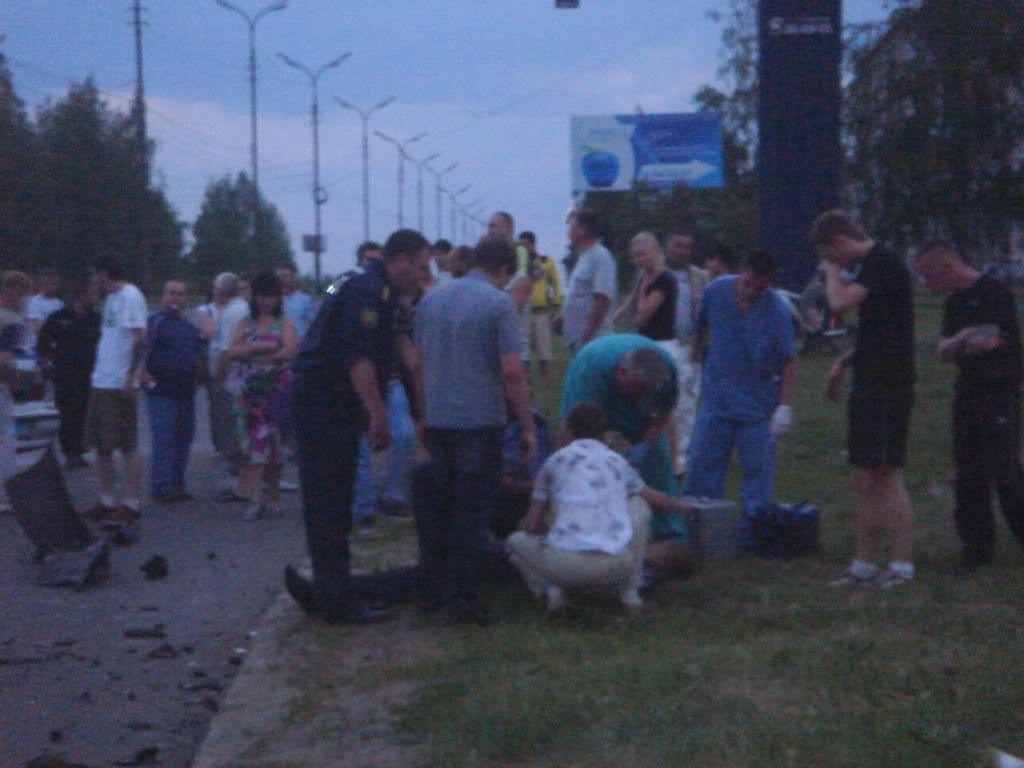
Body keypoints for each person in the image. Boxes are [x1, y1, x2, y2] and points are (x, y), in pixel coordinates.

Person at [284, 229, 430, 625]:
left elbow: (401, 351)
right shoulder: (368, 292)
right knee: (329, 501)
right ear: (399, 259)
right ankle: (335, 601)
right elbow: (358, 359)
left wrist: (420, 413)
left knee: (335, 497)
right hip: (324, 402)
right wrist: (378, 416)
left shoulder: (348, 281)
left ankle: (333, 587)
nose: (422, 276)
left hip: (328, 401)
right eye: (419, 267)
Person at [414, 235, 535, 626]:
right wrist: (528, 425)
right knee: (471, 513)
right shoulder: (498, 303)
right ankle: (463, 600)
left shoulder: (431, 299)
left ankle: (433, 588)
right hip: (478, 423)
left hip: (438, 419)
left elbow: (417, 364)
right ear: (503, 269)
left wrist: (422, 414)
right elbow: (513, 371)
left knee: (441, 508)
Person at [811, 209, 916, 589]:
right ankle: (864, 564)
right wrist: (843, 363)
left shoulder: (882, 263)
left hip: (889, 385)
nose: (837, 264)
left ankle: (902, 566)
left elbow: (838, 305)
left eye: (832, 255)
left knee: (887, 474)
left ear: (839, 243)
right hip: (869, 379)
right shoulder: (873, 267)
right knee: (864, 475)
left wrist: (831, 274)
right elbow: (880, 329)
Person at [509, 402, 694, 615]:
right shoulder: (618, 462)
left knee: (515, 541)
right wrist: (685, 506)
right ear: (604, 434)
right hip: (618, 565)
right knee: (639, 504)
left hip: (563, 567)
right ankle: (630, 594)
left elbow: (532, 524)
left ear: (568, 430)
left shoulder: (552, 463)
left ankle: (554, 598)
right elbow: (657, 500)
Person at [914, 239, 1024, 570]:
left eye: (928, 276)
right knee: (968, 473)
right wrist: (963, 340)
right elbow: (943, 352)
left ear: (947, 267)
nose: (927, 285)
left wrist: (959, 342)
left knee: (1004, 470)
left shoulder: (994, 293)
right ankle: (976, 549)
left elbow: (987, 341)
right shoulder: (954, 303)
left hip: (998, 390)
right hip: (968, 393)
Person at [683, 251, 798, 548]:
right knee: (702, 465)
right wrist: (692, 366)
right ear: (741, 273)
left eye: (760, 288)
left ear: (769, 285)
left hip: (757, 404)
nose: (751, 292)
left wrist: (784, 407)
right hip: (716, 397)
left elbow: (788, 359)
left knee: (757, 471)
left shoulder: (776, 310)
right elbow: (701, 329)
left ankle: (753, 532)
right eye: (747, 283)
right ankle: (699, 528)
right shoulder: (716, 291)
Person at [559, 335, 691, 573]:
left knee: (658, 466)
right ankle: (586, 530)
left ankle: (671, 535)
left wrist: (646, 443)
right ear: (621, 372)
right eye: (636, 390)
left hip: (641, 413)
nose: (640, 397)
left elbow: (663, 412)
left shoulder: (665, 371)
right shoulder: (591, 370)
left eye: (646, 393)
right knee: (587, 468)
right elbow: (572, 429)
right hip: (593, 388)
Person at [222, 271, 297, 520]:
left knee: (274, 448)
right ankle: (256, 498)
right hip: (250, 393)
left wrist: (258, 355)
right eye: (263, 296)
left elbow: (289, 351)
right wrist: (257, 348)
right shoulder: (245, 322)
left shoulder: (284, 321)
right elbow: (231, 351)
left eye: (272, 296)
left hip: (277, 391)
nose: (267, 301)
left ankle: (273, 492)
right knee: (254, 447)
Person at [82, 256, 148, 528]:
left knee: (127, 444)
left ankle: (131, 502)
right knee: (102, 445)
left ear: (105, 274)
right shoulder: (110, 300)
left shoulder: (130, 297)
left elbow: (140, 340)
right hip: (101, 380)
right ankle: (106, 499)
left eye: (95, 275)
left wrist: (131, 376)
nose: (93, 281)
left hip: (119, 383)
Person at [142, 279, 201, 503]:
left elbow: (196, 352)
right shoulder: (154, 323)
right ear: (163, 296)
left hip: (185, 390)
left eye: (180, 294)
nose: (176, 298)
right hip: (161, 390)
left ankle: (177, 483)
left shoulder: (188, 326)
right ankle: (161, 485)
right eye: (172, 293)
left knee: (184, 437)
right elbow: (140, 349)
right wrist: (142, 373)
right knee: (164, 438)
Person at [36, 279, 101, 469]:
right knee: (68, 413)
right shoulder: (58, 317)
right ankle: (69, 452)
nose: (95, 298)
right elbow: (44, 342)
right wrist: (50, 361)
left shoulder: (95, 318)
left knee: (84, 413)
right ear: (81, 295)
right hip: (66, 374)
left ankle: (80, 450)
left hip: (89, 374)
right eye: (92, 294)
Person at [664, 229, 710, 475]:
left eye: (686, 247)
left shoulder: (700, 277)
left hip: (689, 345)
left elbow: (707, 313)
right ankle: (664, 450)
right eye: (677, 245)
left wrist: (700, 341)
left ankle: (683, 454)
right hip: (662, 342)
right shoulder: (656, 274)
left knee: (688, 402)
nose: (681, 251)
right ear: (668, 246)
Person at [561, 208, 617, 352]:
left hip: (594, 342)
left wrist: (587, 336)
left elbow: (602, 300)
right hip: (580, 341)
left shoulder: (600, 256)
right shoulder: (584, 256)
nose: (568, 232)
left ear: (583, 230)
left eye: (571, 226)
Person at [0, 271, 32, 514]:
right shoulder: (11, 320)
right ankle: (3, 493)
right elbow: (9, 357)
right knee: (6, 437)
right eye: (23, 294)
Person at [209, 272, 248, 466]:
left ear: (221, 290)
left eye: (215, 287)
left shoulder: (232, 312)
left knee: (233, 427)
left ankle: (239, 473)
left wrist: (219, 378)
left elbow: (226, 350)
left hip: (230, 379)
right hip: (234, 377)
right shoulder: (239, 308)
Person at [488, 212, 533, 372]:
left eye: (493, 226)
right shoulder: (490, 256)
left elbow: (519, 279)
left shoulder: (519, 251)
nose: (489, 230)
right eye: (488, 226)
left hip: (515, 349)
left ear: (508, 229)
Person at [521, 230, 561, 384]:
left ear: (533, 244)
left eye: (526, 245)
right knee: (524, 347)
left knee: (544, 348)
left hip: (541, 310)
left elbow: (556, 283)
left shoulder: (546, 261)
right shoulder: (520, 264)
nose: (523, 248)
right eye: (521, 246)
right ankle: (526, 377)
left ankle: (545, 379)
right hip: (523, 310)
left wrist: (557, 307)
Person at [24, 268, 63, 343]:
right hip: (37, 345)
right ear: (43, 283)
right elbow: (37, 328)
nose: (52, 286)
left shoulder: (60, 304)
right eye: (49, 282)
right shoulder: (34, 302)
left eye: (55, 283)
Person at [277, 263, 315, 340]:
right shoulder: (272, 300)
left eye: (286, 276)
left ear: (294, 277)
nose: (283, 279)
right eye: (280, 276)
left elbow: (311, 326)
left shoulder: (305, 299)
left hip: (298, 345)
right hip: (275, 345)